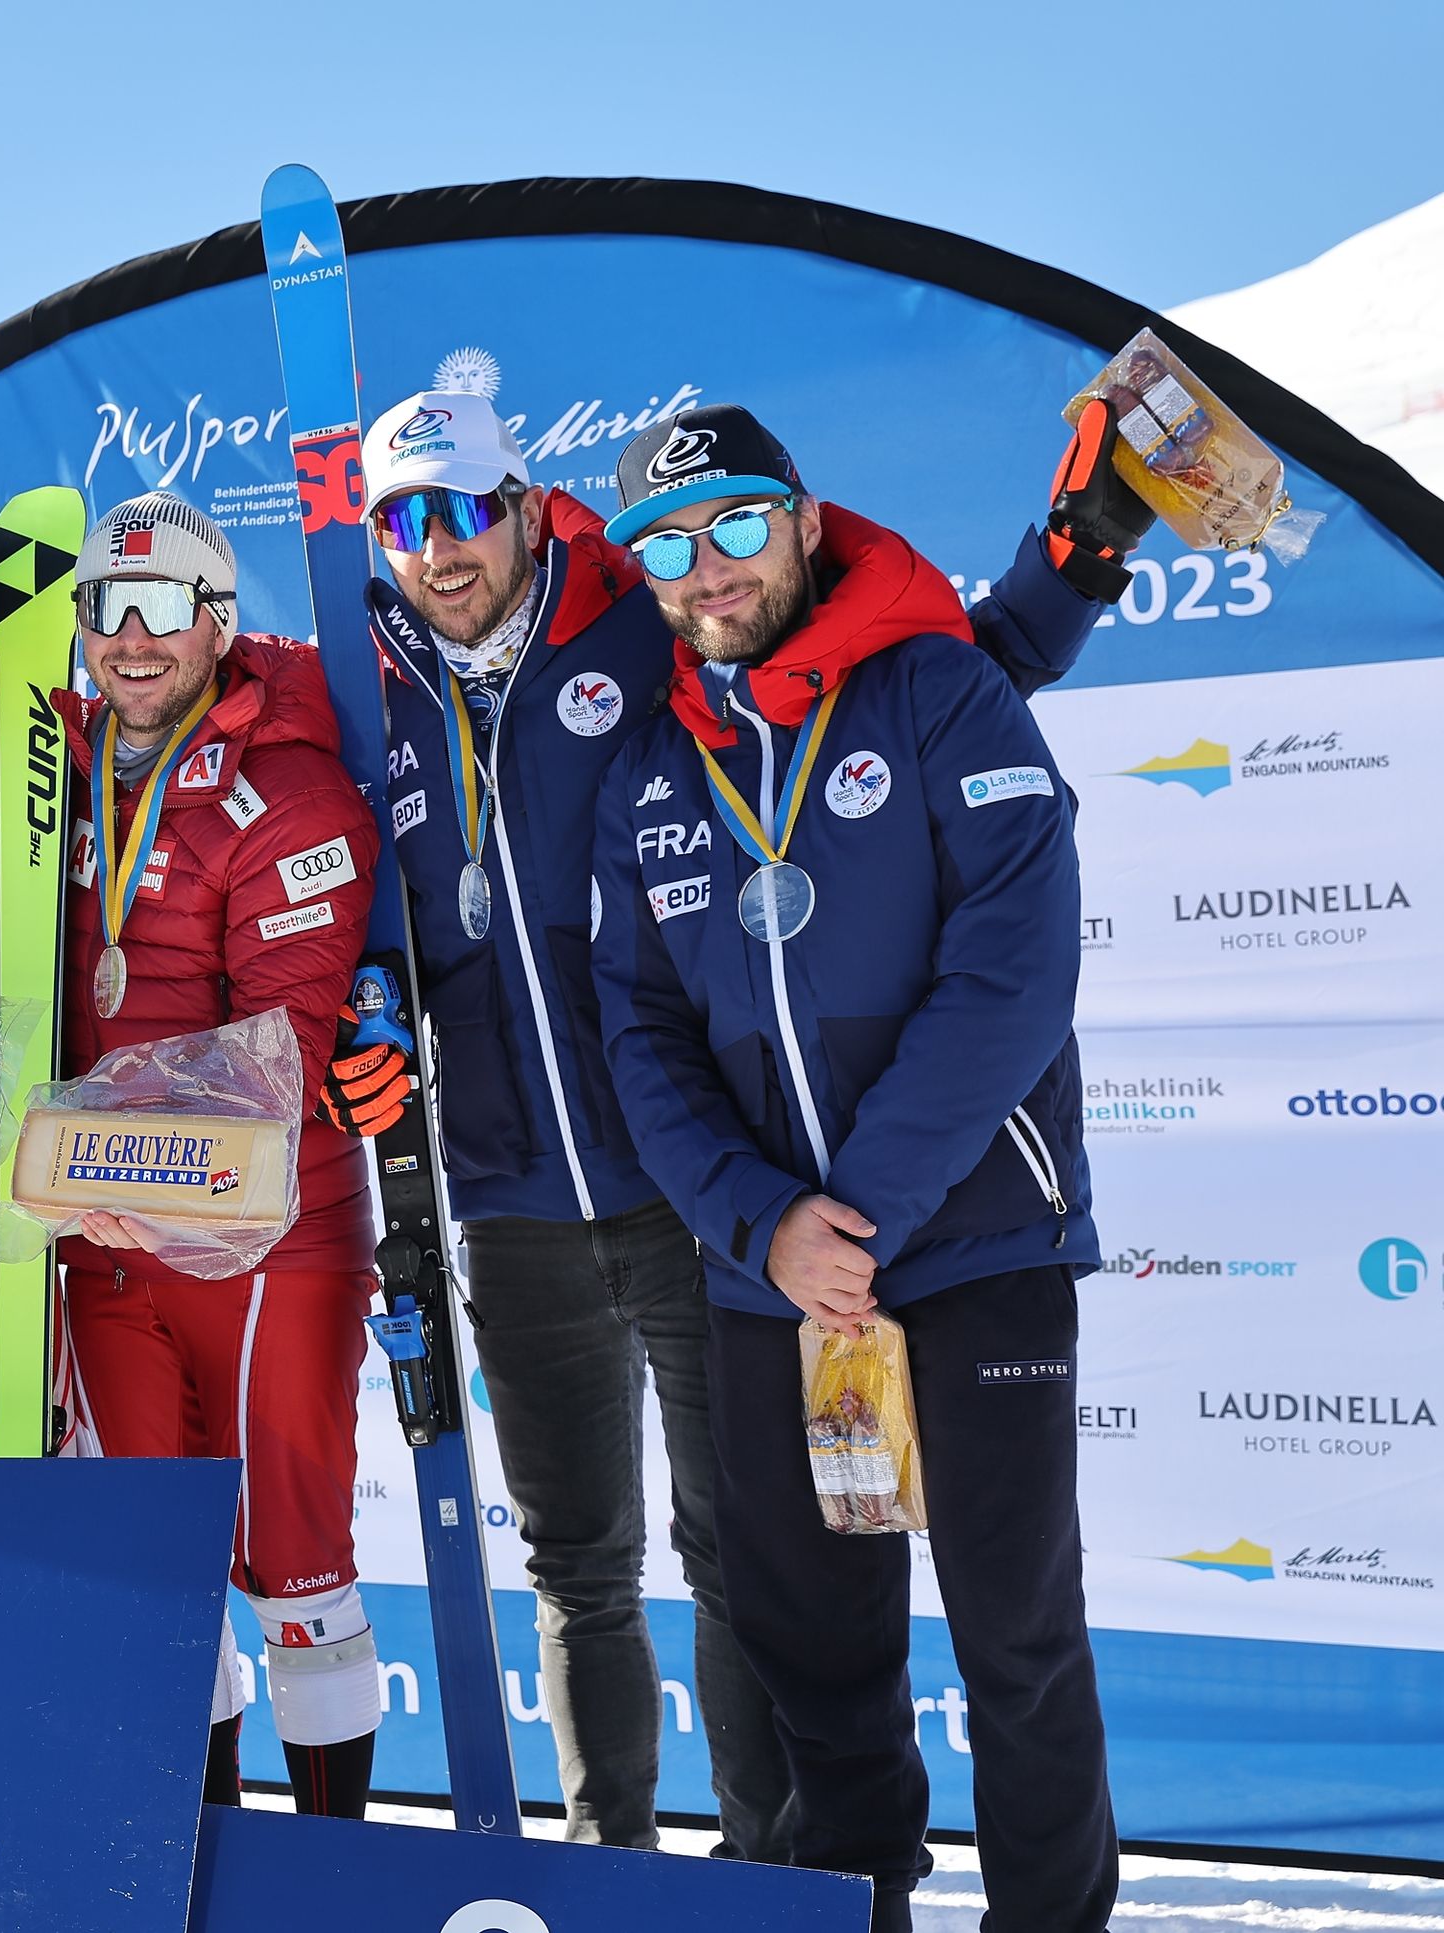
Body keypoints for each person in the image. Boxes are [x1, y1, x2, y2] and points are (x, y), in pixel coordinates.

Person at [343, 389, 1146, 1852]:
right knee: (703, 1611)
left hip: (829, 1216)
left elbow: (996, 904)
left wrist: (1074, 564)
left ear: (525, 507)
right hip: (630, 1220)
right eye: (402, 522)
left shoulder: (787, 656)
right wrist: (367, 1005)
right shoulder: (440, 703)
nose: (706, 565)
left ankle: (908, 1892)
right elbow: (588, 995)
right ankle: (720, 1884)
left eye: (462, 509)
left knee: (926, 1619)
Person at [588, 405, 1116, 1931]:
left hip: (977, 1253)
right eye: (671, 547)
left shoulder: (943, 691)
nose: (708, 568)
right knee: (819, 1654)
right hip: (774, 1290)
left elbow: (1012, 978)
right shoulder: (653, 774)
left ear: (807, 523)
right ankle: (851, 1914)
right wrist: (764, 1227)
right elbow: (640, 1036)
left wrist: (858, 1214)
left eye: (737, 525)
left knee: (1018, 1639)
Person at [48, 492, 387, 1816]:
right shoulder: (55, 767)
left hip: (265, 1235)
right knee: (154, 1570)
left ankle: (331, 1863)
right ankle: (196, 1859)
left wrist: (80, 1141)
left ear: (216, 621)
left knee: (294, 1558)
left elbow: (280, 1052)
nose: (130, 639)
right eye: (105, 608)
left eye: (161, 608)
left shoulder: (288, 782)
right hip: (103, 1237)